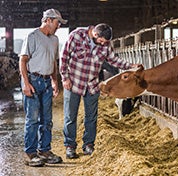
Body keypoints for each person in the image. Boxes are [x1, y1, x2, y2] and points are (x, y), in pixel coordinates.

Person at [60, 23, 141, 159]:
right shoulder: (77, 35)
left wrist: (131, 66)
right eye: (101, 41)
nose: (103, 44)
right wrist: (64, 78)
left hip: (92, 84)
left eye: (105, 42)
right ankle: (70, 146)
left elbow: (114, 60)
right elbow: (64, 56)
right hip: (73, 82)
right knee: (70, 116)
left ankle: (88, 145)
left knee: (91, 117)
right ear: (95, 34)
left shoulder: (106, 44)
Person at [19, 9, 67, 167]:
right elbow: (23, 61)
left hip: (47, 83)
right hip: (33, 80)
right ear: (48, 20)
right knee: (32, 119)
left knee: (47, 120)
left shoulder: (54, 40)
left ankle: (44, 150)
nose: (59, 26)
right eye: (57, 22)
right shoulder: (32, 36)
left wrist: (55, 82)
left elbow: (53, 63)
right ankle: (30, 153)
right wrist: (26, 84)